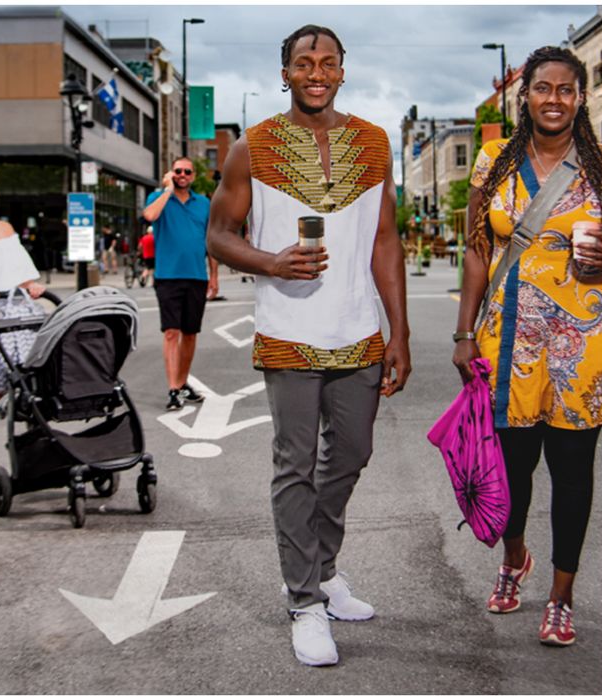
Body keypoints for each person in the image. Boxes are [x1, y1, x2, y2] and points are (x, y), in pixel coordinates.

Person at [206, 25, 410, 667]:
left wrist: (399, 331)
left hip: (358, 329)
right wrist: (271, 262)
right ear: (285, 73)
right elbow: (218, 235)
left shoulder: (374, 143)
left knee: (351, 453)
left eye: (327, 63)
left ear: (343, 71)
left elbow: (385, 240)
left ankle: (320, 570)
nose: (316, 73)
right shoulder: (252, 146)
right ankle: (305, 601)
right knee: (294, 465)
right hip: (288, 332)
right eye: (303, 63)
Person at [452, 46, 602, 647]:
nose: (554, 99)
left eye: (566, 89)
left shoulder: (601, 166)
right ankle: (514, 559)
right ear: (525, 96)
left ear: (581, 98)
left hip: (581, 346)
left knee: (572, 474)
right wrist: (464, 332)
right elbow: (476, 249)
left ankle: (561, 598)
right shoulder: (494, 161)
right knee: (512, 471)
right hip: (507, 340)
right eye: (543, 88)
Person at [142, 156, 219, 411]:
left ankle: (183, 382)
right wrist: (167, 190)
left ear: (193, 176)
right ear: (171, 173)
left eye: (187, 171)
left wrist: (214, 276)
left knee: (190, 333)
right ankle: (173, 389)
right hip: (168, 276)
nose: (182, 175)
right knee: (171, 332)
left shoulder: (204, 203)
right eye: (178, 171)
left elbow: (210, 242)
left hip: (197, 276)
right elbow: (149, 215)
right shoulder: (158, 198)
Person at [0, 168, 45, 430]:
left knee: (3, 384)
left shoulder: (5, 229)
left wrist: (30, 285)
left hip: (3, 316)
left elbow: (19, 271)